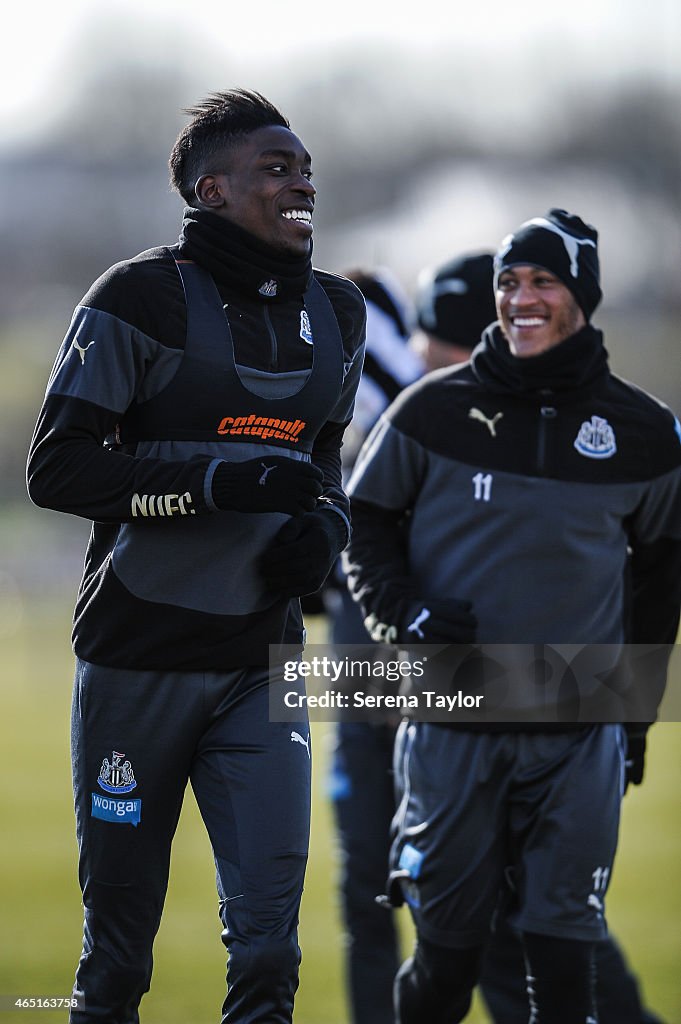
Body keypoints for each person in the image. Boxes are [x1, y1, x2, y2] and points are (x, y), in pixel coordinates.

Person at [26, 88, 366, 1024]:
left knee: (267, 948)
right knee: (117, 963)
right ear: (210, 190)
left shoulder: (339, 312)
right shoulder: (134, 297)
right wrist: (218, 487)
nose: (302, 183)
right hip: (135, 662)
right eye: (276, 169)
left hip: (261, 667)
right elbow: (57, 471)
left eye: (304, 168)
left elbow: (322, 463)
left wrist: (324, 533)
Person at [343, 208, 681, 1023]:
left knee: (564, 956)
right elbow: (363, 525)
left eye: (542, 282)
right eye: (508, 282)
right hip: (452, 722)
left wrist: (632, 719)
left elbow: (659, 586)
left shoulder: (645, 433)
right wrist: (403, 616)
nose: (519, 299)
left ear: (582, 297)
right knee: (447, 964)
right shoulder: (427, 411)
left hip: (578, 732)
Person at [326, 256, 495, 1024]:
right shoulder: (353, 409)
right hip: (363, 672)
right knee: (365, 889)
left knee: (467, 900)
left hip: (449, 680)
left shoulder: (469, 418)